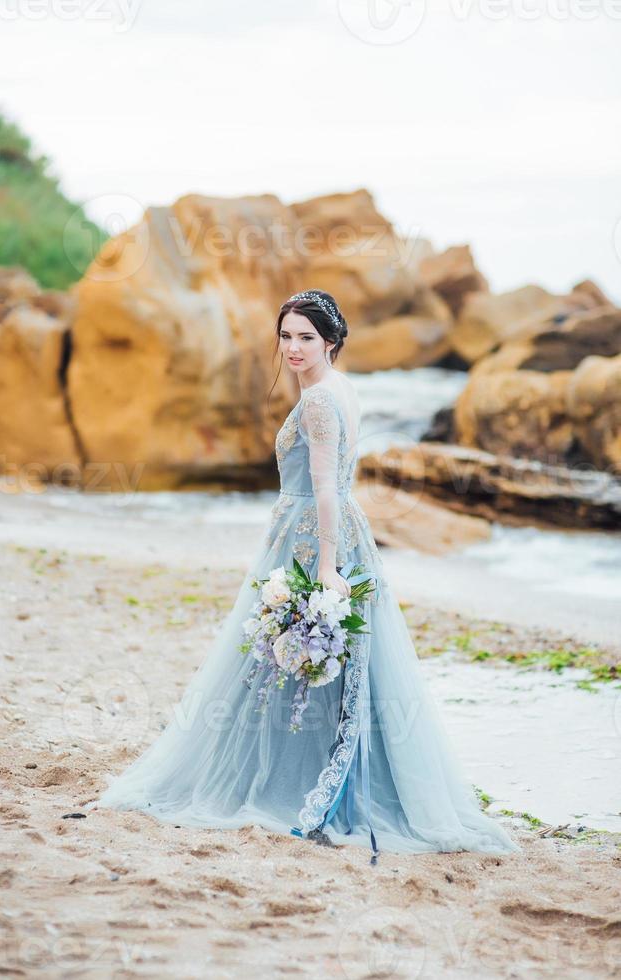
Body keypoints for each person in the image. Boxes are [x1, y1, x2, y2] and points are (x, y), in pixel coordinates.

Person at [84, 288, 521, 862]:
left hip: (312, 537)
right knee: (312, 662)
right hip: (331, 532)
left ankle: (292, 789)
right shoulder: (340, 388)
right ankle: (325, 780)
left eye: (306, 338)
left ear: (331, 342)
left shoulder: (318, 400)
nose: (293, 348)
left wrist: (324, 565)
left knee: (292, 655)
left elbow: (322, 489)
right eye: (286, 336)